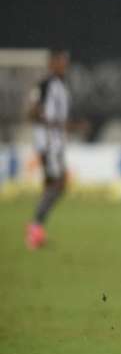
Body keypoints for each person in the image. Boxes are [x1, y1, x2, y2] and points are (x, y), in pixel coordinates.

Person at [25, 49, 71, 250]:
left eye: (66, 61)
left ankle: (37, 231)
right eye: (61, 61)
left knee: (52, 185)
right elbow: (32, 112)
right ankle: (35, 227)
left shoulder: (61, 86)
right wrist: (51, 124)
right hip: (49, 143)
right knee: (58, 184)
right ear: (52, 63)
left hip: (56, 142)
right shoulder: (45, 85)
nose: (64, 65)